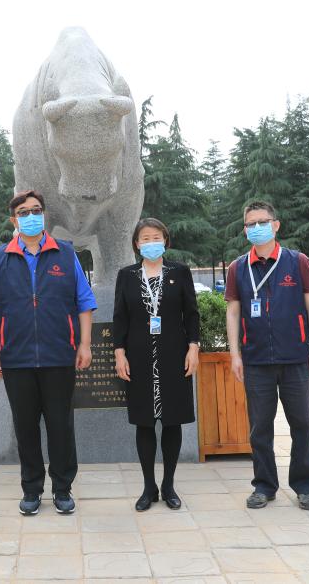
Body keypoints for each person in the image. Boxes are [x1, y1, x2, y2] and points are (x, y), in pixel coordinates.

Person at [0, 190, 96, 516]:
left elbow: (84, 301)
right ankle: (31, 489)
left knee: (61, 426)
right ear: (14, 220)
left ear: (43, 214)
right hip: (16, 359)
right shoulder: (2, 257)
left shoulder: (65, 253)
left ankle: (62, 489)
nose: (30, 217)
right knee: (26, 427)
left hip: (59, 356)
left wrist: (84, 344)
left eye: (35, 211)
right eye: (23, 212)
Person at [224, 201, 309, 511]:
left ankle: (305, 486)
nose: (257, 228)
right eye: (251, 224)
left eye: (262, 222)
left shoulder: (298, 262)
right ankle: (264, 486)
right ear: (245, 230)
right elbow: (233, 312)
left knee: (302, 424)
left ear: (276, 225)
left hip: (295, 358)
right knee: (260, 428)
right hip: (256, 361)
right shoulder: (238, 267)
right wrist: (235, 355)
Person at [113, 218, 200, 511]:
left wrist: (193, 347)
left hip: (174, 355)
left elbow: (191, 314)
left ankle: (169, 485)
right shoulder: (127, 275)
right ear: (137, 244)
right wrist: (119, 353)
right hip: (138, 357)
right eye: (145, 238)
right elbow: (120, 318)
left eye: (156, 237)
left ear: (165, 240)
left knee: (172, 421)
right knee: (144, 422)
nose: (151, 242)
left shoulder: (179, 272)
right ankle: (149, 487)